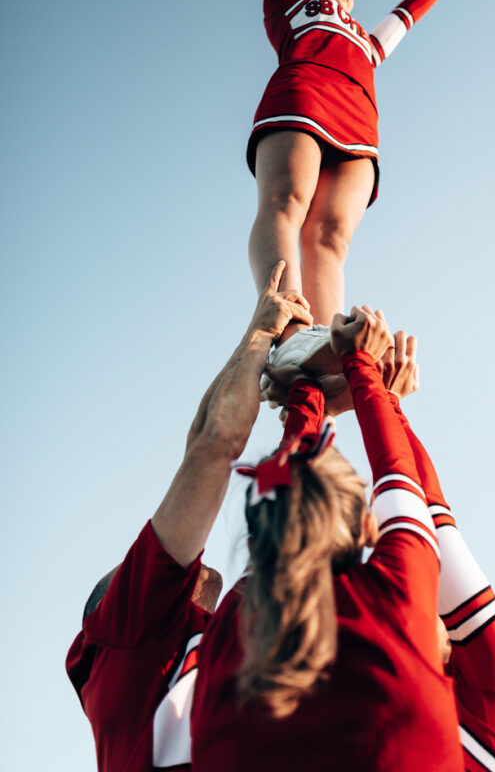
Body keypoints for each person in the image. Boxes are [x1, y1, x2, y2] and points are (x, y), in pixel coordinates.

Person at [248, 0, 475, 372]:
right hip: (302, 94)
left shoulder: (364, 39)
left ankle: (328, 345)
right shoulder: (290, 1)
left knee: (330, 237)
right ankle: (288, 325)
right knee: (286, 204)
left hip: (358, 118)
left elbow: (407, 14)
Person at [191, 306, 464, 772]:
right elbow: (394, 472)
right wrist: (315, 388)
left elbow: (398, 480)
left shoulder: (234, 626)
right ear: (366, 527)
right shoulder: (394, 595)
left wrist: (362, 368)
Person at [66, 263, 311, 771]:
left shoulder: (139, 635)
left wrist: (262, 333)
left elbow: (206, 448)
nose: (175, 558)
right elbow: (209, 451)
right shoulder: (150, 648)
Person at [383, 329, 495, 770]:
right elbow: (433, 526)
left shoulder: (494, 704)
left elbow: (431, 522)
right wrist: (385, 402)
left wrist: (383, 396)